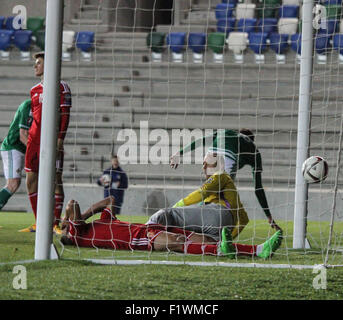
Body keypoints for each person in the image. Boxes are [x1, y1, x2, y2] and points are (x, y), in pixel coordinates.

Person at [60, 196, 283, 259]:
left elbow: (109, 200)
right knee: (177, 244)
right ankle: (222, 251)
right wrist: (69, 223)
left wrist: (86, 217)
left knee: (205, 239)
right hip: (141, 241)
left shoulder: (99, 223)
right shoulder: (79, 234)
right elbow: (72, 204)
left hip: (149, 228)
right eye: (66, 224)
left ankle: (258, 250)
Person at [170, 128, 281, 232]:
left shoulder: (227, 132)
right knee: (222, 199)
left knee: (208, 192)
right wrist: (269, 216)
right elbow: (258, 188)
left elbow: (201, 140)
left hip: (210, 155)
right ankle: (177, 214)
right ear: (252, 140)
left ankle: (181, 216)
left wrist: (179, 153)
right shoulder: (253, 150)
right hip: (227, 159)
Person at [19, 51, 72, 233]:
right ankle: (39, 222)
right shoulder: (34, 90)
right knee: (30, 181)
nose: (35, 66)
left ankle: (54, 223)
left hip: (52, 140)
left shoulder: (62, 87)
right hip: (34, 141)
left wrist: (59, 140)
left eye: (39, 62)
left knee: (56, 180)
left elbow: (65, 117)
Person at [149, 152, 250, 239]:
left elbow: (202, 192)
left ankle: (140, 233)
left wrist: (179, 204)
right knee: (189, 237)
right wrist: (230, 237)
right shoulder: (229, 188)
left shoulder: (220, 175)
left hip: (216, 214)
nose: (204, 167)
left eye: (208, 164)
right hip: (224, 227)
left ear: (220, 166)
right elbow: (244, 219)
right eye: (203, 164)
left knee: (166, 214)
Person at [0, 99, 32, 211]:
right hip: (13, 147)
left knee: (15, 184)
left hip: (22, 149)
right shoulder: (29, 105)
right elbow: (23, 135)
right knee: (13, 183)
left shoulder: (46, 109)